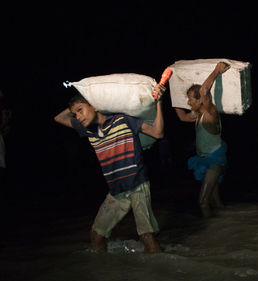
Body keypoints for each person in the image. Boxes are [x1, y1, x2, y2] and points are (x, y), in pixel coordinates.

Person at [54, 83, 166, 253]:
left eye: (80, 110)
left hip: (137, 185)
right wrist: (80, 102)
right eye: (75, 114)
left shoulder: (123, 119)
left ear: (95, 105)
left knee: (146, 237)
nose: (77, 117)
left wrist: (159, 102)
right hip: (116, 192)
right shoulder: (87, 130)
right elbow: (58, 118)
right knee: (96, 236)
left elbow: (158, 133)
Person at [174, 62, 230, 217]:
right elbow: (183, 117)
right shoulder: (197, 114)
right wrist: (174, 99)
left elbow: (204, 90)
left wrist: (216, 70)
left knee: (203, 202)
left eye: (191, 99)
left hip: (214, 161)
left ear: (200, 101)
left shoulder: (210, 113)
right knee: (215, 202)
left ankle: (211, 237)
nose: (188, 102)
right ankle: (227, 225)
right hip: (204, 160)